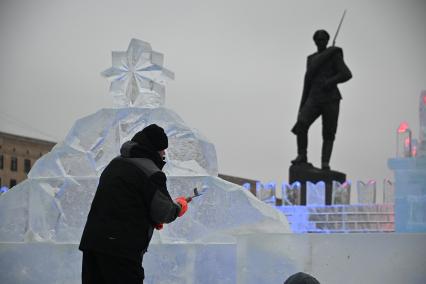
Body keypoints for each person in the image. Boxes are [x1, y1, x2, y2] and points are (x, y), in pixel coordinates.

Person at [79, 124, 188, 283]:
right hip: (121, 251)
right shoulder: (151, 172)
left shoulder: (115, 164)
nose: (164, 153)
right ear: (154, 149)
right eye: (162, 149)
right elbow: (164, 212)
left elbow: (123, 202)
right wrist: (179, 207)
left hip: (93, 245)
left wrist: (149, 218)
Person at [291, 29, 352, 170]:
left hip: (331, 98)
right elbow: (308, 81)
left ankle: (325, 162)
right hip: (314, 97)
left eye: (323, 39)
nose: (320, 42)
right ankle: (302, 155)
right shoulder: (311, 59)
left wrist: (330, 81)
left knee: (329, 131)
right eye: (318, 39)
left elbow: (346, 74)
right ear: (315, 41)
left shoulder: (333, 54)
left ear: (327, 40)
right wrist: (304, 101)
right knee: (301, 124)